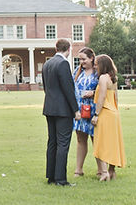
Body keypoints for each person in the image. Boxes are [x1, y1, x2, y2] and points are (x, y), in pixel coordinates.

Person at [42, 39, 82, 186]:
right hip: (63, 110)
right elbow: (68, 89)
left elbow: (46, 87)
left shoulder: (47, 63)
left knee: (52, 142)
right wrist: (76, 110)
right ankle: (61, 179)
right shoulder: (63, 63)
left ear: (56, 48)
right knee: (63, 143)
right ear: (69, 49)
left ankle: (51, 176)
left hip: (49, 107)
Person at [92, 54, 127, 181]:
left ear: (102, 65)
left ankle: (104, 171)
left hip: (105, 113)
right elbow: (116, 97)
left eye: (96, 63)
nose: (94, 66)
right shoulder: (113, 79)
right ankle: (112, 171)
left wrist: (96, 114)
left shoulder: (102, 78)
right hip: (114, 113)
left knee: (101, 142)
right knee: (113, 142)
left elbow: (101, 98)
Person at [72, 47, 98, 177]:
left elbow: (105, 89)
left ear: (92, 58)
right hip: (80, 111)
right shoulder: (77, 71)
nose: (81, 62)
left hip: (93, 110)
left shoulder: (98, 72)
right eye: (80, 59)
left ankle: (101, 170)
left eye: (84, 59)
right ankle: (78, 169)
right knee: (81, 140)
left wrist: (93, 93)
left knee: (96, 140)